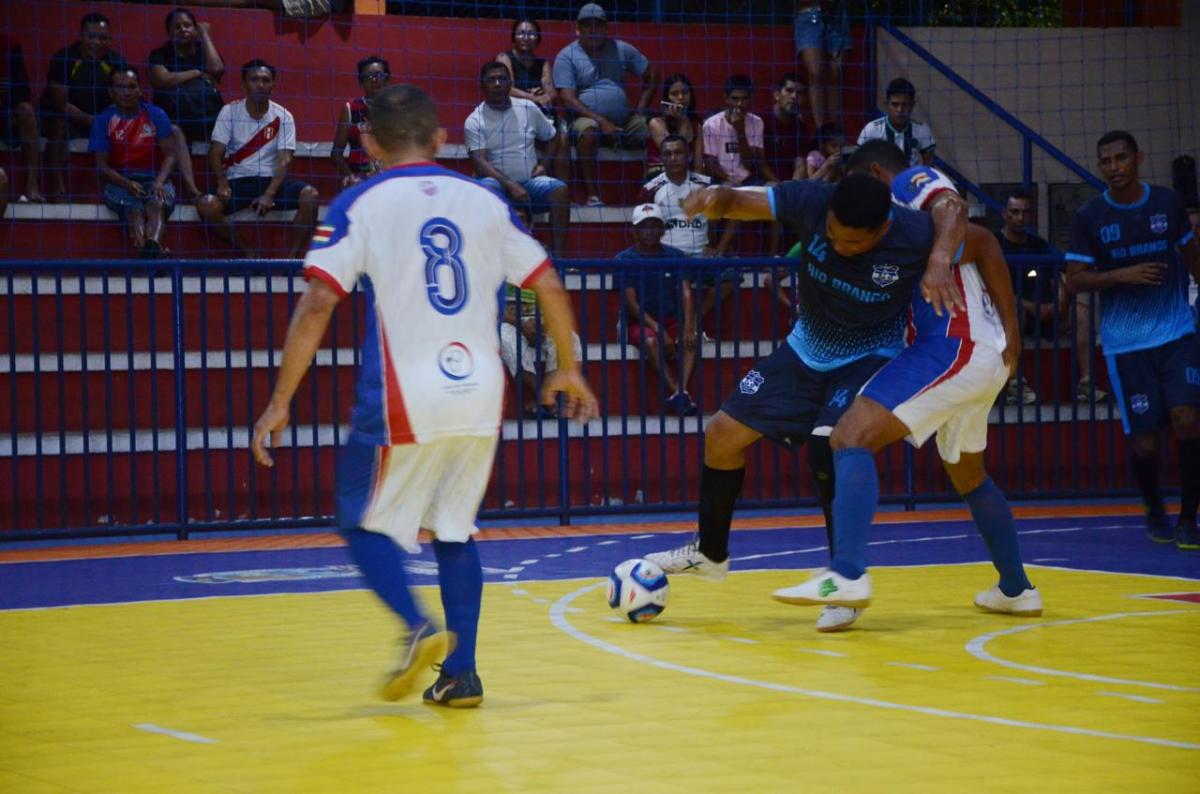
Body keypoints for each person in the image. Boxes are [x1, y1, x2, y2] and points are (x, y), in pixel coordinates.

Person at [250, 83, 598, 708]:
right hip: (481, 390)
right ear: (442, 139)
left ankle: (417, 628)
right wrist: (567, 368)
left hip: (406, 390)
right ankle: (461, 673)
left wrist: (280, 401)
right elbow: (546, 282)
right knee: (456, 530)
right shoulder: (486, 202)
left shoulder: (359, 201)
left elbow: (318, 302)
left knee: (359, 518)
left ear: (368, 143)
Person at [646, 175, 960, 631]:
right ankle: (710, 554)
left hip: (869, 355)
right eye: (830, 235)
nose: (837, 246)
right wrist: (715, 200)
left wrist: (939, 258)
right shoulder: (814, 200)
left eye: (851, 243)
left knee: (827, 447)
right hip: (804, 348)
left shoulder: (913, 232)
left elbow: (954, 209)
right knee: (721, 435)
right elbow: (743, 200)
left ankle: (844, 578)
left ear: (881, 230)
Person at [769, 169, 1041, 628]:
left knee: (849, 436)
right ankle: (1016, 589)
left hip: (956, 347)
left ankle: (848, 576)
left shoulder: (911, 195)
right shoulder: (892, 239)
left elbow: (980, 236)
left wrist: (1013, 330)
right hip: (979, 356)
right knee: (968, 474)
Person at [1065, 130, 1200, 550]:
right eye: (1105, 162)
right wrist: (1121, 275)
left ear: (1138, 158)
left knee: (1187, 418)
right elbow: (1073, 281)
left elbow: (1192, 256)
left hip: (1176, 330)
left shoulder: (1167, 204)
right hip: (1125, 343)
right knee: (1145, 440)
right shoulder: (1090, 217)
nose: (1113, 168)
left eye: (1120, 158)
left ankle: (1189, 519)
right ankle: (1154, 507)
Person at [196, 60, 320, 258]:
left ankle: (292, 258)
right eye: (254, 80)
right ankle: (248, 251)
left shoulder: (284, 116)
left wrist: (269, 194)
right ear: (243, 85)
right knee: (206, 205)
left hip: (273, 182)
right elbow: (215, 152)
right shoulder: (229, 111)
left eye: (265, 80)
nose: (260, 85)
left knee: (310, 195)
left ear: (273, 86)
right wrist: (221, 181)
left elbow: (285, 160)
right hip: (238, 181)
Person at [996, 188, 1104, 405]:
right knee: (1012, 310)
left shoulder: (1038, 244)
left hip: (1045, 314)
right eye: (1014, 211)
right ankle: (1015, 385)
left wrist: (1061, 304)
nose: (1019, 217)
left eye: (1025, 212)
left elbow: (1058, 278)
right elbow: (993, 291)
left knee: (1082, 313)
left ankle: (1086, 384)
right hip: (1008, 318)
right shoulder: (993, 244)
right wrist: (1032, 307)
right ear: (1004, 213)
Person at [552, 2, 659, 207]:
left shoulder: (621, 48)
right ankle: (593, 195)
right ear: (578, 29)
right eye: (588, 26)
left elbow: (652, 74)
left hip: (624, 120)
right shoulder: (566, 56)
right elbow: (567, 98)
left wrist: (641, 108)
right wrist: (602, 121)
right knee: (589, 129)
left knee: (655, 128)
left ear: (606, 28)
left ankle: (657, 190)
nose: (594, 31)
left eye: (599, 26)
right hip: (584, 120)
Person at [466, 61, 570, 259]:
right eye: (492, 80)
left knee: (559, 189)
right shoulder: (474, 120)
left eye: (502, 79)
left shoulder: (528, 108)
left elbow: (553, 136)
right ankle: (492, 258)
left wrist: (543, 165)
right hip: (498, 185)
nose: (497, 83)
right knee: (487, 186)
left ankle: (558, 258)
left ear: (510, 83)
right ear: (482, 86)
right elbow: (479, 161)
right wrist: (511, 185)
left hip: (530, 184)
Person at [616, 203, 698, 416]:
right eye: (644, 227)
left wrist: (689, 325)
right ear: (634, 231)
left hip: (670, 318)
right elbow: (631, 305)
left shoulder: (675, 256)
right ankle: (678, 393)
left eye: (654, 226)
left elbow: (686, 293)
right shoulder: (624, 259)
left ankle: (682, 392)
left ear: (662, 229)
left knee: (691, 339)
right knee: (652, 341)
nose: (650, 231)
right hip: (640, 321)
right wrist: (659, 330)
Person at [89, 68, 178, 258]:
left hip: (155, 177)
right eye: (120, 87)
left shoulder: (156, 114)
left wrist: (159, 182)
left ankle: (151, 250)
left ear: (140, 90)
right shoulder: (104, 119)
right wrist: (126, 184)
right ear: (110, 92)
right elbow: (102, 166)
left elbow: (171, 155)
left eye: (131, 87)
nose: (127, 92)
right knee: (134, 210)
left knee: (156, 204)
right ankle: (155, 254)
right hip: (120, 181)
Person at [41, 13, 130, 198]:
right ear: (81, 36)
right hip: (67, 119)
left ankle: (119, 190)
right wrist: (93, 122)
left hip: (101, 120)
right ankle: (59, 188)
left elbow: (125, 102)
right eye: (91, 36)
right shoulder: (64, 58)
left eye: (102, 38)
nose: (96, 42)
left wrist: (104, 123)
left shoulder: (117, 63)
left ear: (110, 40)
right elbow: (61, 105)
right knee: (59, 125)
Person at [495, 18, 570, 184]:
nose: (526, 37)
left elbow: (552, 93)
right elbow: (507, 88)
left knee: (563, 137)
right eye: (521, 33)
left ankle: (562, 190)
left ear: (538, 38)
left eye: (531, 34)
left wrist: (545, 96)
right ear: (513, 37)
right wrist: (532, 97)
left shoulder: (542, 64)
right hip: (513, 114)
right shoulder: (504, 58)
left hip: (538, 115)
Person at [500, 282, 583, 419]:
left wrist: (543, 324)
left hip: (540, 318)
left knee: (571, 339)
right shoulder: (495, 263)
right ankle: (547, 401)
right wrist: (521, 325)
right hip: (509, 320)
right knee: (507, 339)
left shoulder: (541, 263)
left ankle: (547, 396)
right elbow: (492, 306)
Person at [147, 8, 226, 144]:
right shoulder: (160, 54)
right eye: (177, 27)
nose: (183, 29)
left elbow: (217, 69)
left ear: (195, 29)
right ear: (169, 33)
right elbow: (160, 79)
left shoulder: (204, 51)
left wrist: (205, 35)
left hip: (207, 118)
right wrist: (198, 72)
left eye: (187, 25)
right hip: (174, 119)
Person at [640, 135, 721, 258]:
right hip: (666, 257)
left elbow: (725, 218)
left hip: (702, 256)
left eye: (678, 153)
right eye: (667, 154)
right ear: (661, 158)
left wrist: (717, 248)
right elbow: (641, 227)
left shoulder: (707, 185)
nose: (673, 158)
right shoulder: (649, 190)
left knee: (731, 276)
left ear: (689, 156)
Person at [331, 55, 390, 189]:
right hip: (359, 176)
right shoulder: (350, 108)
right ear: (360, 82)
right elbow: (336, 153)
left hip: (390, 176)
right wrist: (351, 176)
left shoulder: (397, 108)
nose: (374, 80)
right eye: (368, 76)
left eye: (378, 75)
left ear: (387, 79)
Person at [0, 34, 45, 202]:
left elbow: (22, 89)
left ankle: (31, 186)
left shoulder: (9, 46)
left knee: (25, 110)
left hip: (6, 113)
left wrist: (9, 106)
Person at [794, 1, 852, 129]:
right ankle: (820, 130)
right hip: (809, 13)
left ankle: (835, 132)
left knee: (834, 74)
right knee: (815, 72)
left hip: (837, 13)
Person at [856, 78, 936, 167]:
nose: (900, 110)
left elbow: (929, 165)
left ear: (912, 105)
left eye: (905, 105)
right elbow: (859, 163)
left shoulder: (921, 129)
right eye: (895, 104)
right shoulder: (872, 129)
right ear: (886, 104)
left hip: (911, 179)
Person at [646, 73, 704, 181]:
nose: (681, 97)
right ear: (666, 98)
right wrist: (683, 121)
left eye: (685, 92)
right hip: (660, 176)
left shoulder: (696, 125)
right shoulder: (656, 123)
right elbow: (674, 153)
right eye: (674, 94)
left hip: (688, 178)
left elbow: (698, 165)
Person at [761, 73, 810, 184]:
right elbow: (758, 161)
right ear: (777, 95)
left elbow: (800, 163)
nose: (794, 96)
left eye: (799, 93)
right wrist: (777, 184)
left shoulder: (801, 128)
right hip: (761, 181)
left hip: (787, 185)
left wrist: (790, 188)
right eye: (789, 90)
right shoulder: (760, 121)